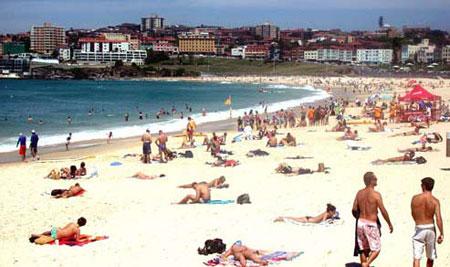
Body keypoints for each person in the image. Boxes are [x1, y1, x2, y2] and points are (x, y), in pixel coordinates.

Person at [352, 172, 393, 267]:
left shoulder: (359, 193)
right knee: (376, 248)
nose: (377, 180)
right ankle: (366, 264)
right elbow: (383, 211)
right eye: (375, 179)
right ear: (371, 181)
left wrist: (359, 219)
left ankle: (364, 263)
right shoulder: (376, 194)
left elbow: (354, 209)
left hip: (360, 222)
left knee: (363, 248)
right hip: (370, 223)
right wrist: (389, 223)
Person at [411, 177, 444, 267]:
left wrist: (418, 221)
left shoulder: (415, 198)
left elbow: (413, 214)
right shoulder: (435, 201)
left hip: (419, 228)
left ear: (424, 186)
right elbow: (438, 218)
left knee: (417, 258)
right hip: (430, 229)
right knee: (430, 257)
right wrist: (441, 233)